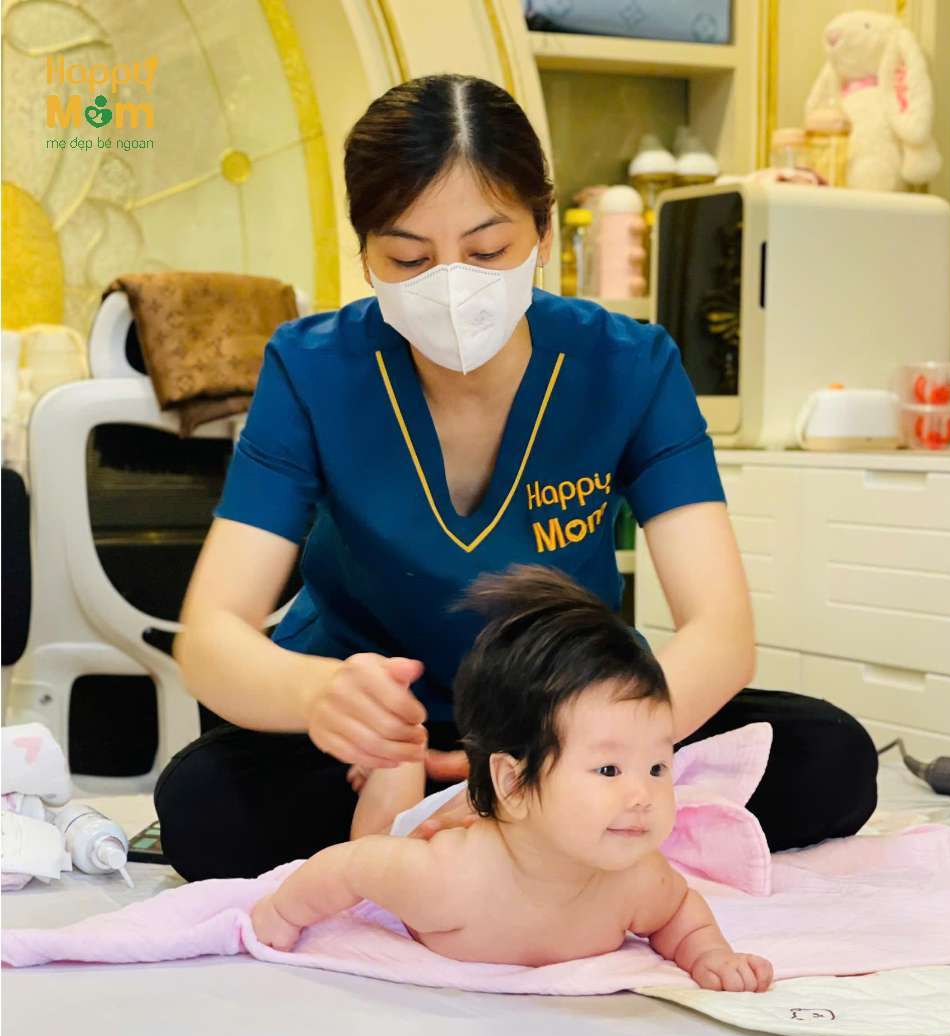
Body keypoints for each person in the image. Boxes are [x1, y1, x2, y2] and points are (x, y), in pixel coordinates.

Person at [157, 72, 878, 883]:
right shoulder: (311, 368)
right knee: (203, 809)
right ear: (364, 253)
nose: (450, 284)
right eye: (408, 257)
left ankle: (479, 832)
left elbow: (721, 632)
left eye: (487, 251)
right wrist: (319, 695)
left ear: (542, 229)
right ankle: (492, 831)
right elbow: (211, 636)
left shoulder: (628, 365)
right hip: (380, 746)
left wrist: (560, 760)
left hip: (570, 730)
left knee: (830, 759)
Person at [252, 565, 774, 993]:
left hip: (511, 794)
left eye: (658, 768)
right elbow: (350, 868)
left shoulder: (636, 880)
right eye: (609, 770)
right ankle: (402, 755)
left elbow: (679, 914)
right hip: (434, 826)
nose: (643, 796)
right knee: (382, 827)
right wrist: (281, 912)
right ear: (513, 781)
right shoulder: (443, 879)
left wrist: (710, 954)